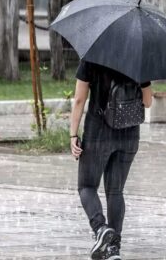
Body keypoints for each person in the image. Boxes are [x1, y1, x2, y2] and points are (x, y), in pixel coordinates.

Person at [69, 61, 153, 260]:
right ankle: (113, 248)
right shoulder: (137, 59)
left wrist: (73, 134)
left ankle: (101, 229)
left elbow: (80, 99)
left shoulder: (92, 58)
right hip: (129, 133)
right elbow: (148, 102)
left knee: (87, 186)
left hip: (99, 132)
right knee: (115, 191)